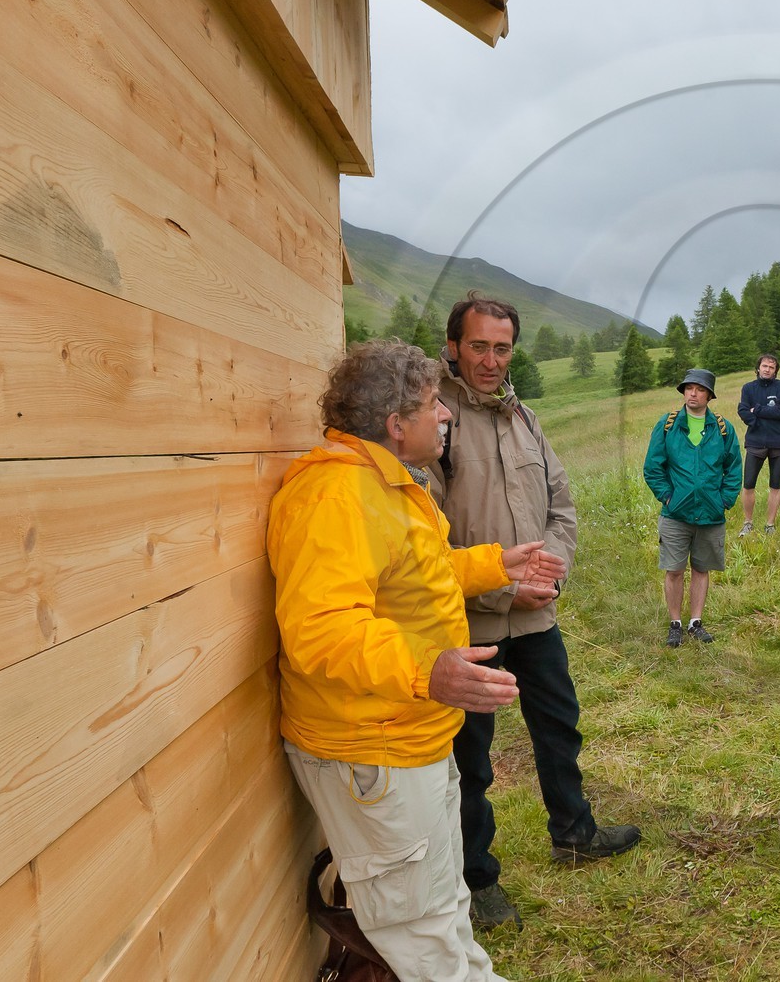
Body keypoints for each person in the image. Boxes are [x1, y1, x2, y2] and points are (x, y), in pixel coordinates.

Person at [268, 339, 567, 982]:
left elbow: (413, 573)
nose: (447, 415)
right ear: (395, 424)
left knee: (441, 901)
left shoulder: (387, 485)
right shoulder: (337, 496)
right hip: (373, 749)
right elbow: (320, 629)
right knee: (417, 929)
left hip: (410, 734)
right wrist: (426, 669)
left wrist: (492, 562)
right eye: (434, 404)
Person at [432, 295, 640, 930]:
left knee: (559, 725)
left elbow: (561, 507)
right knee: (471, 759)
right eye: (479, 347)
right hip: (472, 625)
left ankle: (574, 833)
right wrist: (502, 590)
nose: (492, 360)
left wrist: (548, 576)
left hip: (538, 620)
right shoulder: (434, 424)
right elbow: (427, 543)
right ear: (453, 348)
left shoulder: (524, 418)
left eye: (503, 348)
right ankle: (476, 878)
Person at [644, 368, 742, 647]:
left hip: (711, 514)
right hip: (676, 514)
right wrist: (667, 497)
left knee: (701, 569)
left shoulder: (723, 428)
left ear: (709, 395)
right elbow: (653, 467)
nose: (692, 393)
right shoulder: (668, 424)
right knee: (674, 570)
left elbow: (734, 468)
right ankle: (675, 623)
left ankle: (695, 622)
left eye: (699, 389)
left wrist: (724, 500)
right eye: (688, 388)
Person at [736, 353, 780, 535]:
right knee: (748, 484)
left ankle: (770, 525)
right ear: (758, 367)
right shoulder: (748, 388)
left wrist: (757, 409)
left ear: (775, 371)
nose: (767, 369)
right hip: (755, 443)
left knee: (775, 485)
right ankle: (748, 522)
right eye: (764, 366)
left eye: (771, 367)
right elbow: (743, 410)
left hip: (778, 443)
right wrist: (757, 421)